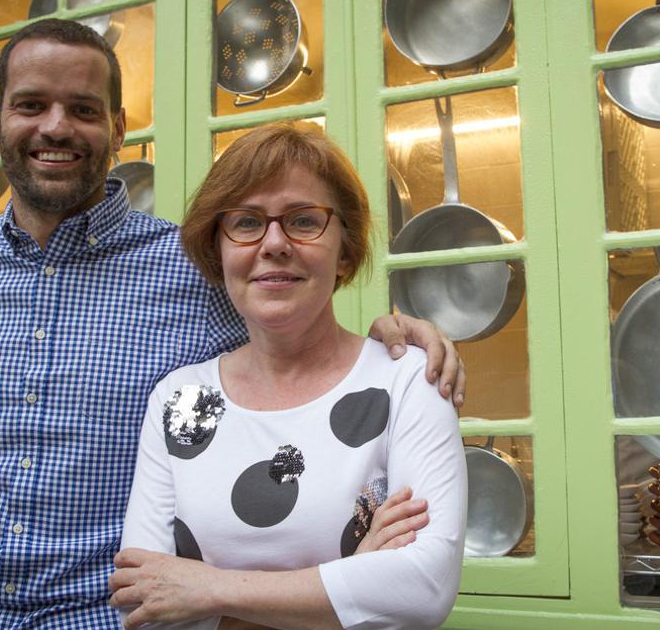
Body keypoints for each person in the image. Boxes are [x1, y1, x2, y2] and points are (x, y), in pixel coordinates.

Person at [0, 19, 464, 629]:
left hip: (121, 618)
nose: (56, 127)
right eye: (32, 104)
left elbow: (295, 329)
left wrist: (392, 337)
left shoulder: (189, 267)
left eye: (84, 110)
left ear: (118, 128)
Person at [110, 124, 467, 629]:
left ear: (344, 249)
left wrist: (209, 590)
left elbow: (424, 587)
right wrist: (351, 579)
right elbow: (143, 603)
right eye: (246, 222)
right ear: (219, 250)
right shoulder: (180, 400)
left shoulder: (406, 380)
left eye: (303, 220)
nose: (274, 243)